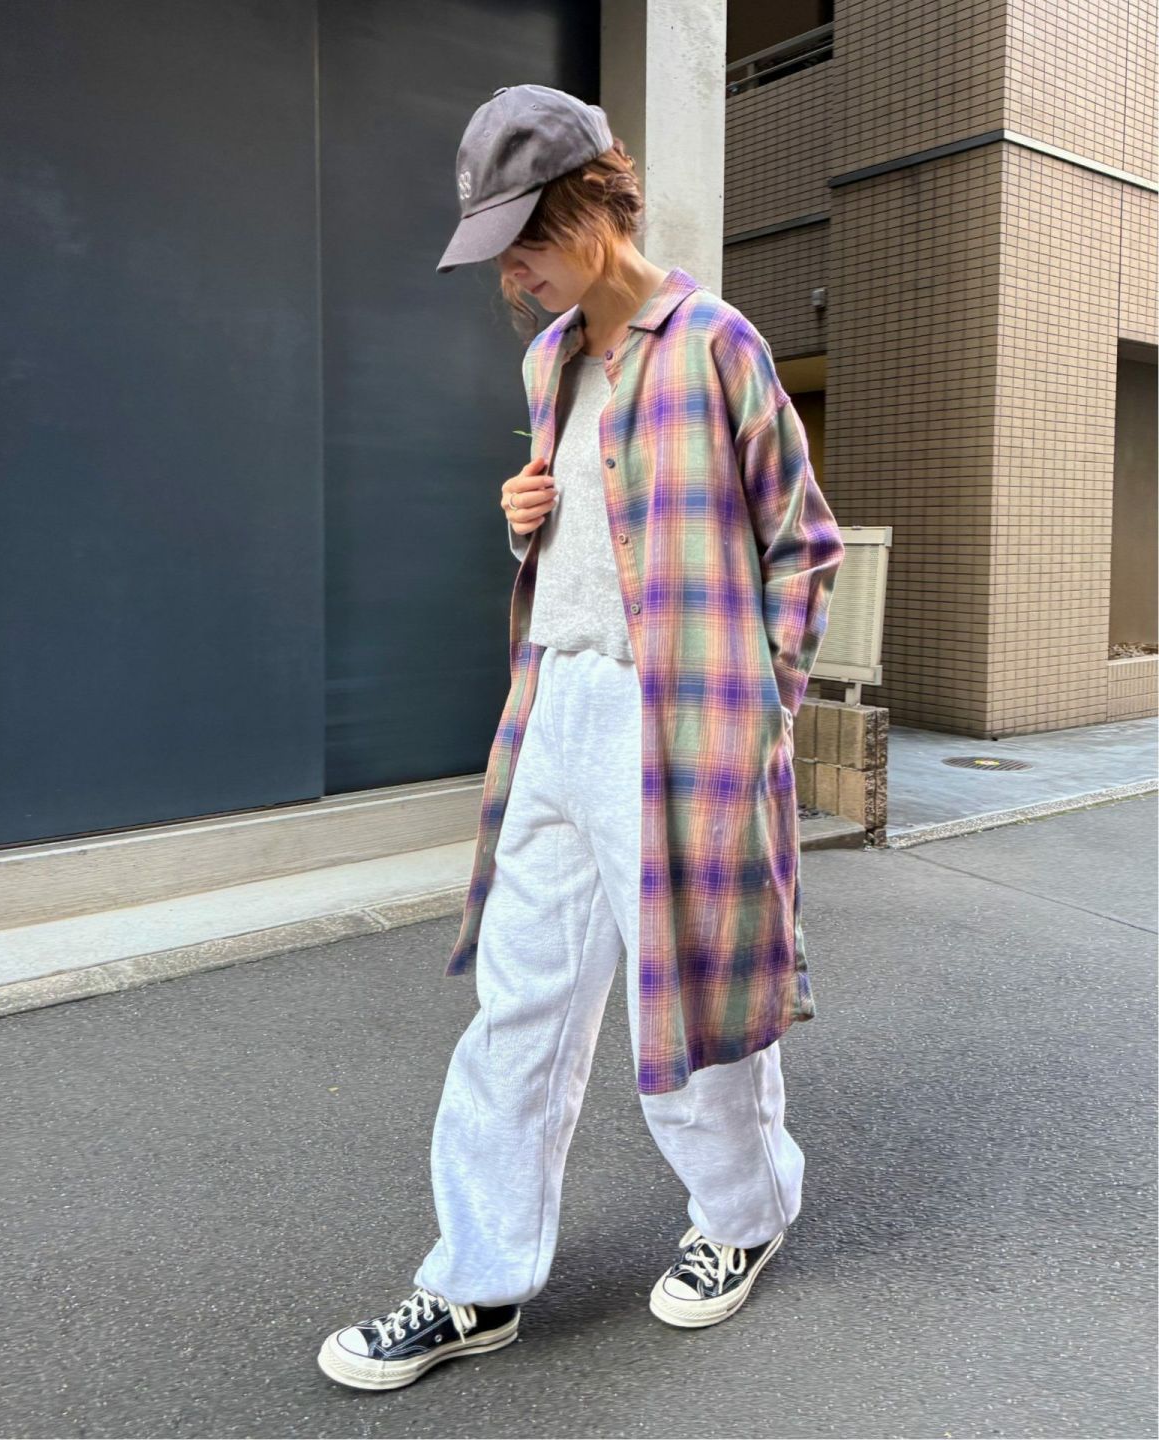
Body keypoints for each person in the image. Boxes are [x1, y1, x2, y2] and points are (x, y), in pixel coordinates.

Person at [317, 83, 846, 1394]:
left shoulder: (716, 344)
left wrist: (758, 713)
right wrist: (524, 517)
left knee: (692, 999)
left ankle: (744, 1215)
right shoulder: (550, 361)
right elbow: (593, 539)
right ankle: (475, 1280)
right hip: (554, 706)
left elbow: (803, 545)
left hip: (681, 719)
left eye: (523, 241)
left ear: (591, 209)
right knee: (520, 1012)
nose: (509, 273)